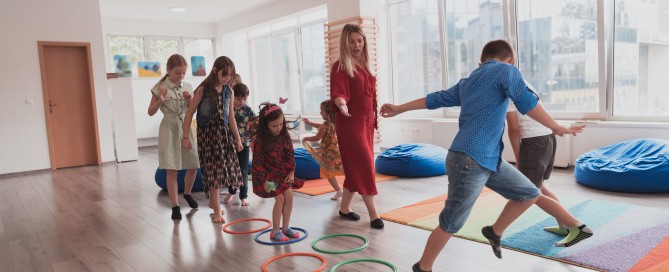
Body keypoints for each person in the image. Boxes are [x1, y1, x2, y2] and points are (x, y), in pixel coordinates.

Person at [380, 40, 593, 272]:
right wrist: (556, 126)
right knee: (452, 222)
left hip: (488, 158)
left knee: (529, 193)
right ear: (510, 59)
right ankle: (423, 266)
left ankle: (494, 231)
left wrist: (400, 108)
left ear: (480, 62)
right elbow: (527, 102)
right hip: (469, 160)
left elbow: (435, 99)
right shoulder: (506, 70)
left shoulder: (469, 81)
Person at [330, 24, 384, 229]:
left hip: (365, 124)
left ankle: (344, 209)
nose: (356, 45)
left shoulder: (366, 64)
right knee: (364, 166)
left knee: (354, 170)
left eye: (359, 40)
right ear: (345, 43)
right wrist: (341, 104)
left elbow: (369, 94)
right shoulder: (341, 66)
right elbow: (339, 92)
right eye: (351, 41)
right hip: (350, 123)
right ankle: (373, 214)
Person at [182, 56, 243, 223]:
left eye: (230, 75)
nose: (227, 78)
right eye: (225, 74)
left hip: (223, 135)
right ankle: (217, 209)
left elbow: (231, 117)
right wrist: (185, 137)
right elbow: (189, 114)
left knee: (224, 171)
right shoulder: (202, 90)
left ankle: (212, 202)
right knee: (213, 172)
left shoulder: (229, 92)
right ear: (215, 70)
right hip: (207, 136)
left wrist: (237, 139)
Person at [507, 81, 569, 235]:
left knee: (530, 191)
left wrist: (518, 159)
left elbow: (514, 129)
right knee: (538, 187)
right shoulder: (523, 83)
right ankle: (565, 225)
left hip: (534, 142)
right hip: (547, 137)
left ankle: (572, 225)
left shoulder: (506, 91)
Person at [147, 54, 199, 220]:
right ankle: (175, 205)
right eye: (177, 73)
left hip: (186, 127)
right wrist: (160, 101)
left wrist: (190, 100)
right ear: (168, 70)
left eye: (183, 73)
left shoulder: (189, 87)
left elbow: (193, 110)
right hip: (168, 128)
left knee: (193, 164)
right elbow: (150, 112)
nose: (181, 76)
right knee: (172, 168)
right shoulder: (159, 87)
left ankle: (188, 194)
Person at [250, 102, 305, 241]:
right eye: (274, 126)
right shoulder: (260, 141)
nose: (278, 128)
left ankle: (285, 227)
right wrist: (264, 181)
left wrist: (291, 172)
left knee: (289, 196)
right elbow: (257, 163)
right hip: (267, 175)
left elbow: (290, 155)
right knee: (280, 199)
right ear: (265, 125)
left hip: (282, 173)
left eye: (281, 124)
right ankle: (275, 231)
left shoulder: (284, 136)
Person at [302, 100, 345, 200]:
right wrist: (310, 123)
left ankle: (339, 191)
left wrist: (306, 138)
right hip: (337, 150)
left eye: (322, 111)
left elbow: (317, 138)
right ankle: (353, 187)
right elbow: (320, 126)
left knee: (328, 172)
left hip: (329, 153)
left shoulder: (326, 125)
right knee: (342, 169)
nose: (320, 113)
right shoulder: (335, 122)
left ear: (328, 112)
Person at [224, 83, 255, 206]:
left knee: (243, 171)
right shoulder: (227, 108)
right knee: (231, 170)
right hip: (229, 145)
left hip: (244, 145)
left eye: (244, 98)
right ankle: (231, 192)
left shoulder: (248, 110)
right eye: (238, 98)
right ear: (232, 97)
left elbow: (256, 122)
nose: (241, 101)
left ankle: (243, 196)